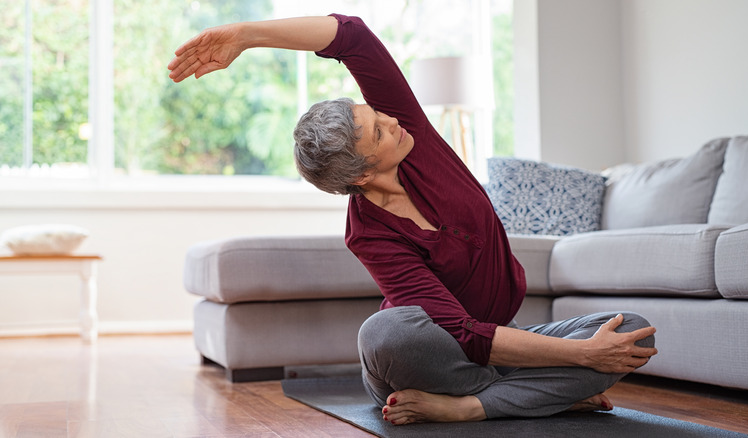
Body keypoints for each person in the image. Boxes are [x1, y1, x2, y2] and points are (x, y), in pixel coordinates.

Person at [168, 13, 658, 426]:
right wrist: (581, 359)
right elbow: (460, 333)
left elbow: (352, 36)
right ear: (360, 173)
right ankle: (534, 395)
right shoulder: (368, 233)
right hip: (432, 357)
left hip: (492, 350)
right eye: (379, 131)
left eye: (381, 116)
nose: (394, 121)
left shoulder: (415, 139)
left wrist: (246, 35)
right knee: (384, 333)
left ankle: (473, 406)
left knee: (632, 329)